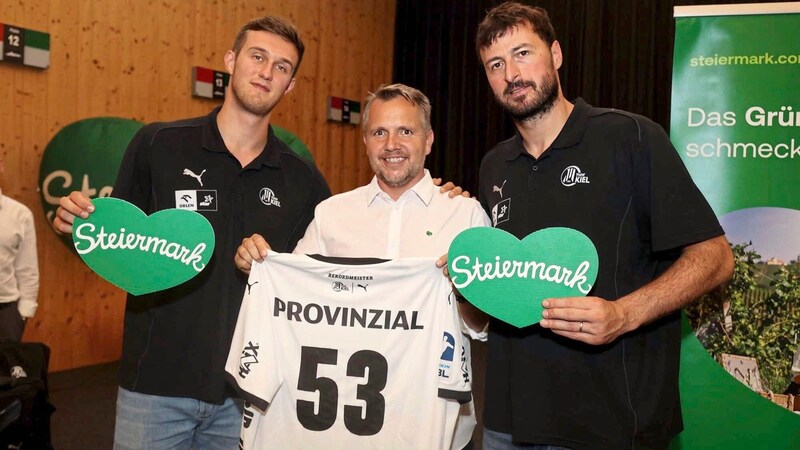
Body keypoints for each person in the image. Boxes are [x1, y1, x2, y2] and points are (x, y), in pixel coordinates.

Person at [53, 16, 331, 449]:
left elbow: (319, 276)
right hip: (153, 390)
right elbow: (116, 238)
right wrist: (78, 222)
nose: (266, 72)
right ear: (231, 60)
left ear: (290, 85)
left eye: (281, 66)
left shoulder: (303, 180)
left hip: (246, 394)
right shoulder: (158, 145)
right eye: (258, 57)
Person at [473, 3, 735, 450]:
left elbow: (715, 258)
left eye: (523, 53)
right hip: (509, 422)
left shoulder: (630, 138)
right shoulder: (495, 164)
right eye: (496, 64)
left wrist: (623, 314)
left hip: (610, 423)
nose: (511, 74)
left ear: (555, 54)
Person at [234, 83, 490, 449]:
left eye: (406, 131)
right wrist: (259, 267)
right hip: (340, 426)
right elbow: (293, 303)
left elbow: (481, 327)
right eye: (379, 132)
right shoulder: (332, 215)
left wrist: (463, 289)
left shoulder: (465, 215)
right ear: (366, 141)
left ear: (429, 140)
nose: (392, 144)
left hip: (435, 427)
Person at [0, 159, 39, 342]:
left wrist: (23, 314)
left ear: (1, 165)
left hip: (6, 315)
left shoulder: (20, 214)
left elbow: (27, 269)